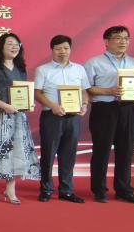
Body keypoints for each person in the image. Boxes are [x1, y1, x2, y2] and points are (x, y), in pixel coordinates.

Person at [84, 25, 134, 203]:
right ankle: (99, 190)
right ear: (106, 41)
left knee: (126, 151)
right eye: (118, 38)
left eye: (126, 38)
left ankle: (124, 190)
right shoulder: (94, 62)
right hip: (105, 110)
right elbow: (87, 88)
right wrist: (109, 91)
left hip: (129, 109)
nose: (123, 42)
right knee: (101, 150)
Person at [0, 33, 40, 204]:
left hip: (17, 117)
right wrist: (4, 105)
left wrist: (28, 103)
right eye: (10, 44)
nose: (14, 47)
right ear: (1, 47)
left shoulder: (21, 69)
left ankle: (10, 188)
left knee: (16, 152)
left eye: (16, 44)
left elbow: (24, 92)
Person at [33, 35, 91, 203]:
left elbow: (84, 90)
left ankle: (66, 190)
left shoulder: (79, 69)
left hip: (73, 117)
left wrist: (84, 104)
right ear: (52, 50)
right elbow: (37, 93)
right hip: (52, 116)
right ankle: (46, 189)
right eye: (58, 48)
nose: (62, 51)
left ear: (70, 49)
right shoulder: (43, 70)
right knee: (48, 154)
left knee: (69, 154)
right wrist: (53, 106)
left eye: (65, 48)